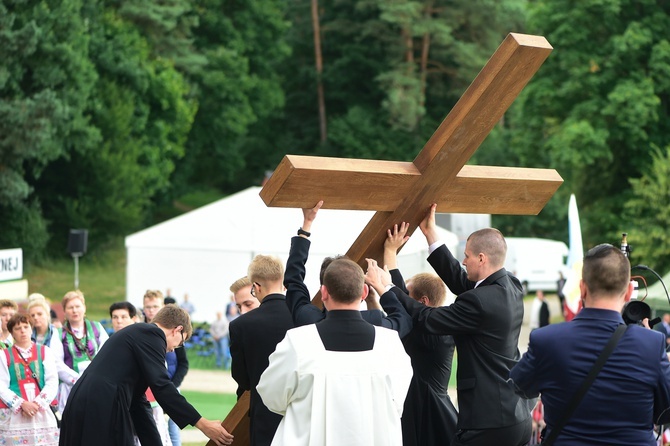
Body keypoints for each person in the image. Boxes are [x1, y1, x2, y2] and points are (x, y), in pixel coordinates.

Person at [390, 204, 532, 446]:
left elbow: (428, 318)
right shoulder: (511, 285)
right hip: (516, 417)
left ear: (481, 258)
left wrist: (389, 289)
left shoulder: (481, 300)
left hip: (488, 422)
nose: (463, 261)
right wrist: (430, 234)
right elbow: (461, 281)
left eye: (466, 256)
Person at [509, 244, 670, 445]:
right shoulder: (652, 343)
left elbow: (520, 387)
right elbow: (665, 412)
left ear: (582, 288)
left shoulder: (546, 340)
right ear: (629, 292)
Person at [257, 257, 413, 446]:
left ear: (323, 293)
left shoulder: (298, 341)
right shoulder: (390, 344)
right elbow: (396, 406)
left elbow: (272, 396)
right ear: (364, 291)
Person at [59, 305, 233, 446]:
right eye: (181, 342)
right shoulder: (152, 334)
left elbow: (138, 402)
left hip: (89, 400)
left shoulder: (140, 335)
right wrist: (203, 424)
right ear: (177, 330)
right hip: (102, 403)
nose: (173, 349)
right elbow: (162, 386)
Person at [379, 221, 458, 446]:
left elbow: (399, 302)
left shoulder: (438, 333)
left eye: (408, 294)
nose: (403, 297)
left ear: (423, 302)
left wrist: (390, 252)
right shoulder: (427, 327)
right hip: (420, 409)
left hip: (430, 417)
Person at [284, 200, 412, 338]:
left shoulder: (308, 319)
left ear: (324, 291)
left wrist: (306, 225)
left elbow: (293, 279)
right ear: (364, 292)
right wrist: (380, 286)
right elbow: (404, 318)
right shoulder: (376, 323)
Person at [229, 255, 294, 446]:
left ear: (256, 287)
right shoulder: (305, 315)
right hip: (302, 413)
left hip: (264, 414)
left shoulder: (240, 325)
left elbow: (241, 377)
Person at [0, 313, 60, 445]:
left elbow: (52, 381)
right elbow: (1, 386)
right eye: (17, 328)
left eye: (26, 326)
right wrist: (22, 404)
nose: (22, 331)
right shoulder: (3, 355)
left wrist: (37, 403)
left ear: (31, 328)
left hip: (41, 410)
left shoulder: (45, 351)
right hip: (15, 412)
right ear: (12, 333)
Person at [144, 290, 187, 446]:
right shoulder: (141, 332)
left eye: (155, 306)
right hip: (149, 389)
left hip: (170, 385)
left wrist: (173, 385)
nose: (151, 310)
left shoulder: (174, 333)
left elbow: (183, 363)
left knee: (173, 428)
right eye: (147, 307)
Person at [58, 290, 109, 412]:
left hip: (96, 384)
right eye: (70, 307)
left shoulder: (97, 327)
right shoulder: (59, 333)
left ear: (84, 308)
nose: (75, 310)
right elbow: (56, 362)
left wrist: (95, 377)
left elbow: (107, 353)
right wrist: (77, 380)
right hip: (71, 387)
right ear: (64, 311)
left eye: (77, 306)